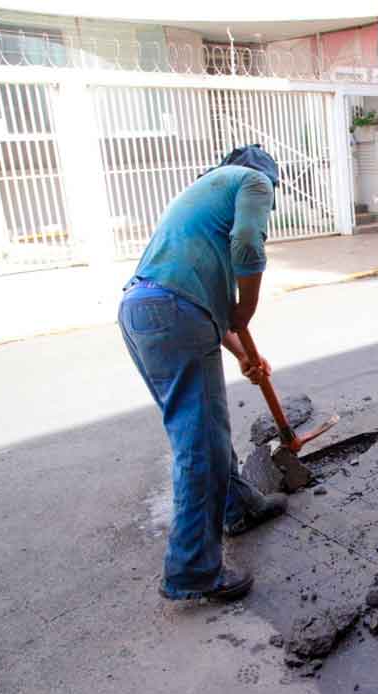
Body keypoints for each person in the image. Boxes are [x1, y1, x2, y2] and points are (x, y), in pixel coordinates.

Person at [118, 145, 289, 603]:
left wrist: (240, 352)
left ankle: (238, 506)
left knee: (201, 430)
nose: (269, 200)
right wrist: (246, 310)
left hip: (144, 311)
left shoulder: (205, 191)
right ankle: (192, 569)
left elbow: (200, 308)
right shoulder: (253, 181)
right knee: (199, 444)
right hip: (175, 313)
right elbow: (248, 243)